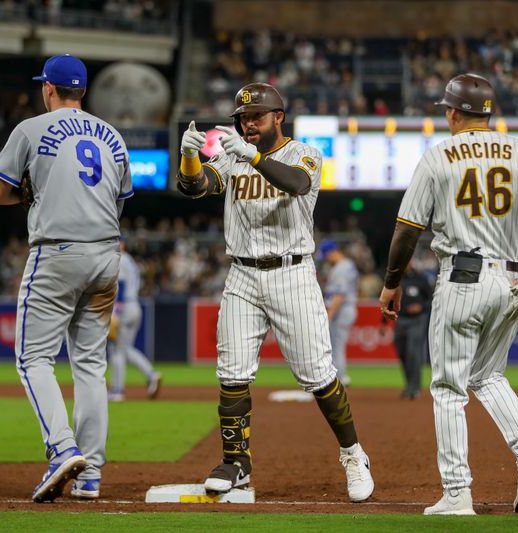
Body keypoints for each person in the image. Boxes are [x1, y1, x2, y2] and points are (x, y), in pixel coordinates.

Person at [177, 82, 374, 502]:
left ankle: (354, 454)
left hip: (292, 274)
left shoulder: (304, 152)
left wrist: (250, 155)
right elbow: (195, 187)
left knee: (318, 375)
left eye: (256, 118)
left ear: (278, 118)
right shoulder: (233, 155)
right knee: (231, 373)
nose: (247, 125)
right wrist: (190, 157)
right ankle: (236, 463)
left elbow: (297, 184)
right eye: (243, 119)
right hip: (243, 275)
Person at [378, 73, 518, 515]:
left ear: (455, 112)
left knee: (447, 387)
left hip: (461, 277)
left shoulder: (439, 155)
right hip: (510, 281)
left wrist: (392, 281)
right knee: (488, 375)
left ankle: (458, 492)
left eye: (447, 110)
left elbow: (407, 229)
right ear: (489, 112)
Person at [0, 54, 133, 503]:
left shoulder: (30, 129)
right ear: (82, 91)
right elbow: (120, 199)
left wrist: (31, 192)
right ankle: (91, 477)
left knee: (34, 359)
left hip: (57, 253)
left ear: (48, 89)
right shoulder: (114, 136)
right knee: (90, 365)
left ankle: (62, 448)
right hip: (107, 255)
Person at [107, 236, 161, 402]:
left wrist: (115, 312)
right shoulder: (130, 260)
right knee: (125, 349)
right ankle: (151, 374)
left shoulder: (120, 259)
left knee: (116, 350)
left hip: (124, 307)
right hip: (134, 306)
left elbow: (121, 286)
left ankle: (117, 391)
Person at [318, 239, 358, 387]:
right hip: (345, 308)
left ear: (333, 252)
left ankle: (341, 378)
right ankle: (340, 377)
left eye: (326, 255)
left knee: (336, 346)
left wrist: (330, 315)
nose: (326, 259)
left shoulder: (342, 268)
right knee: (336, 345)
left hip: (341, 309)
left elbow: (339, 295)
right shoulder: (347, 265)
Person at [394, 260, 433, 399]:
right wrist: (382, 323)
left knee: (413, 353)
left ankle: (414, 388)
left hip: (418, 319)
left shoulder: (421, 279)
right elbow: (389, 301)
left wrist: (421, 306)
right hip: (400, 319)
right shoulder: (395, 279)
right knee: (402, 352)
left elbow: (431, 298)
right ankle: (409, 385)